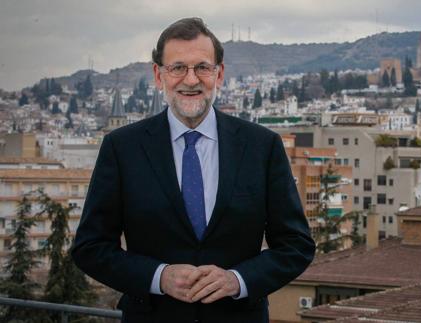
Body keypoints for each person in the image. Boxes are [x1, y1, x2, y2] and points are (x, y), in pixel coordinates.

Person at [71, 17, 315, 323]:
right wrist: (159, 277)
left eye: (202, 67)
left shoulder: (261, 146)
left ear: (219, 74)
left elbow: (296, 245)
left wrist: (237, 280)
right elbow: (90, 247)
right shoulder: (122, 148)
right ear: (158, 75)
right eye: (177, 68)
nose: (190, 79)